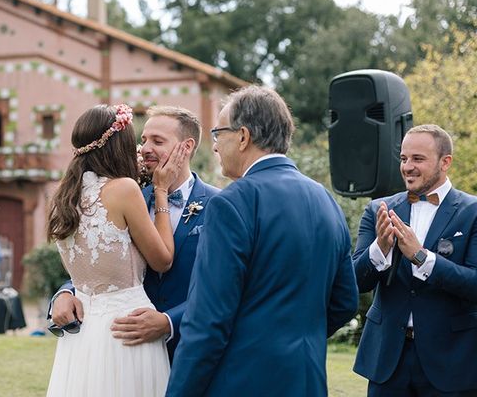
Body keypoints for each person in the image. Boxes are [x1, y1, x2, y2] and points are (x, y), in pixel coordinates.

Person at [166, 85, 359, 397]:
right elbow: (345, 301)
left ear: (243, 137)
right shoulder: (325, 199)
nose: (215, 146)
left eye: (219, 133)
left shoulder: (234, 202)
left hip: (243, 382)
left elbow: (207, 321)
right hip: (307, 380)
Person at [50, 105, 220, 362]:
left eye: (158, 141)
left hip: (191, 349)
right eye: (143, 140)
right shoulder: (123, 197)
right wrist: (66, 292)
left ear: (186, 147)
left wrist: (168, 322)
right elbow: (100, 259)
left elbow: (224, 286)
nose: (145, 148)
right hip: (124, 344)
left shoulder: (219, 205)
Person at [45, 103, 186, 396]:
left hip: (82, 336)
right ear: (117, 146)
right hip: (127, 329)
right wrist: (160, 190)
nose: (140, 147)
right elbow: (162, 261)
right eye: (135, 140)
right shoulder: (124, 189)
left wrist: (68, 292)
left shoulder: (63, 197)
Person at [353, 124, 477, 396]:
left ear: (446, 162)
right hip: (388, 360)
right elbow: (355, 281)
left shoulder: (473, 212)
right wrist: (380, 248)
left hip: (451, 361)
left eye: (417, 159)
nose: (407, 167)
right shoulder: (378, 209)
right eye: (403, 158)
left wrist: (422, 257)